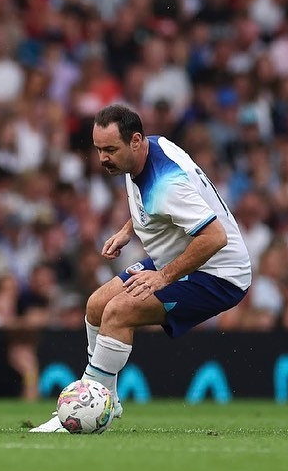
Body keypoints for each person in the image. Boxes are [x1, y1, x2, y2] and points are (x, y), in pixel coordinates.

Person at [30, 104, 252, 432]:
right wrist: (128, 229)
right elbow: (149, 201)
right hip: (178, 253)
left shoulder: (168, 185)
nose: (102, 158)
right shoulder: (154, 146)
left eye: (110, 150)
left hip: (219, 273)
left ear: (135, 140)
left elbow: (215, 236)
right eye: (98, 149)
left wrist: (162, 277)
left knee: (120, 311)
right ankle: (107, 400)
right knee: (96, 305)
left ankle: (87, 406)